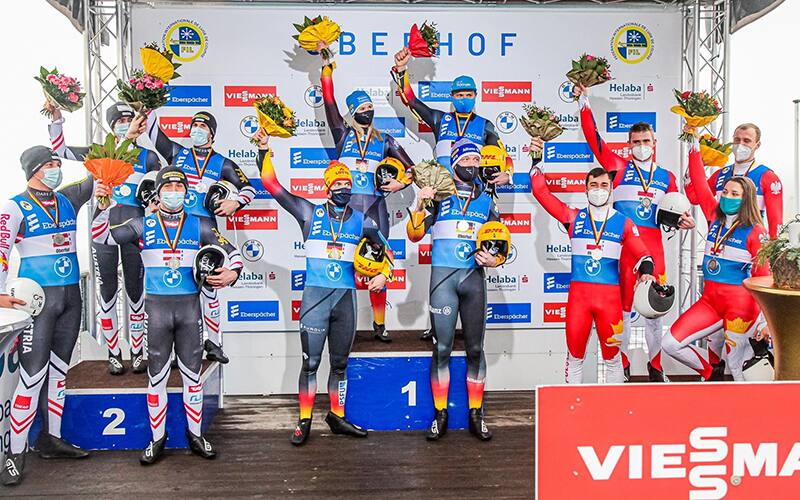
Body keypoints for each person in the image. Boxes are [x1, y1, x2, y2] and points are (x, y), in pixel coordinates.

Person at [91, 167, 243, 464]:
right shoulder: (141, 225)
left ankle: (196, 436)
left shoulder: (200, 225)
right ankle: (157, 438)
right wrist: (102, 207)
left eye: (179, 187)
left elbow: (233, 252)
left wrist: (232, 273)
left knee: (192, 378)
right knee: (156, 379)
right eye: (168, 187)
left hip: (189, 312)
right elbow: (103, 238)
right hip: (157, 313)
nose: (174, 192)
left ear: (186, 193)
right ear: (157, 194)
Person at [255, 129, 391, 446]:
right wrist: (264, 150)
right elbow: (273, 187)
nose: (345, 187)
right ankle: (304, 421)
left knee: (340, 364)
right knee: (311, 363)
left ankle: (337, 417)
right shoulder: (308, 212)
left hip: (345, 299)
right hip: (315, 299)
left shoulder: (363, 220)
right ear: (327, 187)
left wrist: (384, 274)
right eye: (339, 183)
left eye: (348, 183)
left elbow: (387, 253)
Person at [573, 84, 695, 382]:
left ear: (655, 143)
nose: (641, 145)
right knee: (623, 314)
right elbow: (594, 140)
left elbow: (675, 213)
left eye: (646, 140)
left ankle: (656, 368)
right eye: (636, 141)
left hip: (654, 253)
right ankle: (623, 367)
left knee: (655, 314)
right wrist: (583, 100)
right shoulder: (617, 166)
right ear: (628, 145)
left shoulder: (666, 177)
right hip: (622, 254)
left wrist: (683, 222)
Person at [0, 146, 94, 486]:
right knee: (32, 376)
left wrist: (125, 136)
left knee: (58, 373)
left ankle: (51, 440)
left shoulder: (69, 197)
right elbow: (0, 249)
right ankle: (15, 453)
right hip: (39, 302)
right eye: (50, 164)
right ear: (33, 170)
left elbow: (104, 167)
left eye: (57, 163)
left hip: (71, 297)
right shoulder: (15, 205)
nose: (56, 169)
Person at [527, 138, 656, 385]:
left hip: (610, 301)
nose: (599, 189)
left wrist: (647, 270)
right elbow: (541, 192)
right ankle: (571, 413)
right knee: (575, 358)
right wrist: (536, 161)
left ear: (611, 189)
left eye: (604, 185)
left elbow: (643, 254)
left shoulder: (623, 222)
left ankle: (614, 414)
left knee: (613, 360)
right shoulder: (572, 218)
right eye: (593, 185)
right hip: (579, 300)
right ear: (586, 190)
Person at [47, 101, 160, 375]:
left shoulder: (148, 157)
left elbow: (155, 189)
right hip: (103, 231)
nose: (124, 125)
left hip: (136, 230)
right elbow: (60, 151)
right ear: (111, 127)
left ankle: (136, 352)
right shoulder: (98, 153)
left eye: (128, 120)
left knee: (136, 294)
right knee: (107, 294)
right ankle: (113, 354)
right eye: (119, 122)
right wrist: (56, 120)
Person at [140, 110, 256, 364]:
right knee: (172, 287)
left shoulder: (223, 163)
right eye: (194, 125)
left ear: (212, 133)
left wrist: (235, 201)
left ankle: (213, 342)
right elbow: (153, 131)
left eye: (202, 125)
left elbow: (249, 188)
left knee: (211, 285)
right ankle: (169, 349)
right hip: (170, 228)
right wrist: (148, 97)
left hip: (203, 229)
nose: (196, 129)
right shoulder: (177, 153)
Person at [406, 139, 501, 442]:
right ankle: (440, 414)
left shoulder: (487, 199)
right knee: (442, 349)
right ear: (455, 162)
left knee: (475, 349)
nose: (473, 164)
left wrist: (495, 259)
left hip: (473, 281)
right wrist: (419, 204)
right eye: (468, 159)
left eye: (477, 159)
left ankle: (476, 413)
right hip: (443, 283)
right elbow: (413, 234)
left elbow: (502, 246)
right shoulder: (440, 195)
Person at [319, 46, 414, 342]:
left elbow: (412, 170)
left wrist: (401, 184)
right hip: (345, 212)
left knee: (379, 262)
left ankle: (378, 325)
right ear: (352, 113)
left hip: (375, 209)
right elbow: (329, 101)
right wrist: (326, 68)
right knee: (342, 263)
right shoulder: (343, 134)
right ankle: (340, 323)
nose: (366, 112)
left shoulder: (384, 140)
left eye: (369, 107)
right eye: (360, 109)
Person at [662, 134, 769, 381]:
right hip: (710, 301)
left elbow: (764, 279)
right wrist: (694, 141)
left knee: (738, 366)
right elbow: (699, 182)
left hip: (741, 306)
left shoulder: (756, 232)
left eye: (735, 194)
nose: (728, 197)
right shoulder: (714, 216)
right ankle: (712, 372)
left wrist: (766, 323)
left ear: (746, 199)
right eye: (726, 192)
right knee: (670, 343)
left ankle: (745, 414)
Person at [683, 122, 782, 378]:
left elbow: (776, 226)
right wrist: (696, 153)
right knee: (715, 338)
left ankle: (742, 388)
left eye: (747, 140)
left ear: (757, 145)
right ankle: (715, 374)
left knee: (740, 344)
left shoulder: (767, 177)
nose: (740, 144)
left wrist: (769, 268)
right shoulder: (721, 174)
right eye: (737, 139)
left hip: (747, 262)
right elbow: (695, 195)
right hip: (719, 257)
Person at [391, 47, 512, 182]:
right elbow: (411, 101)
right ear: (452, 96)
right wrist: (401, 69)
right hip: (444, 190)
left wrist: (507, 174)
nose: (464, 98)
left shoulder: (484, 125)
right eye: (459, 95)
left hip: (474, 191)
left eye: (468, 95)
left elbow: (503, 155)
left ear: (475, 96)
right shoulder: (440, 119)